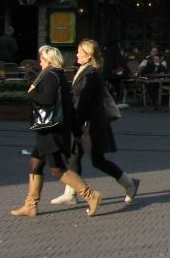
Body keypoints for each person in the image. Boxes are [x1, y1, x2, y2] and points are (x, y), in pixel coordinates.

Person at [10, 45, 103, 218]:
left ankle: (91, 195)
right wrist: (76, 130)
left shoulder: (50, 76)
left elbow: (47, 99)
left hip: (51, 132)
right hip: (53, 130)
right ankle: (30, 205)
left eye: (41, 59)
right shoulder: (58, 75)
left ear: (48, 60)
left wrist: (31, 94)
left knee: (57, 169)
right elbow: (68, 107)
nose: (39, 62)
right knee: (35, 164)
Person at [50, 39, 139, 207]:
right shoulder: (85, 71)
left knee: (98, 160)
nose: (76, 55)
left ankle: (129, 183)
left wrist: (74, 123)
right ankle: (70, 193)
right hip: (85, 124)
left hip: (91, 126)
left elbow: (83, 102)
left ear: (89, 56)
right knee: (74, 157)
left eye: (79, 52)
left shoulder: (91, 74)